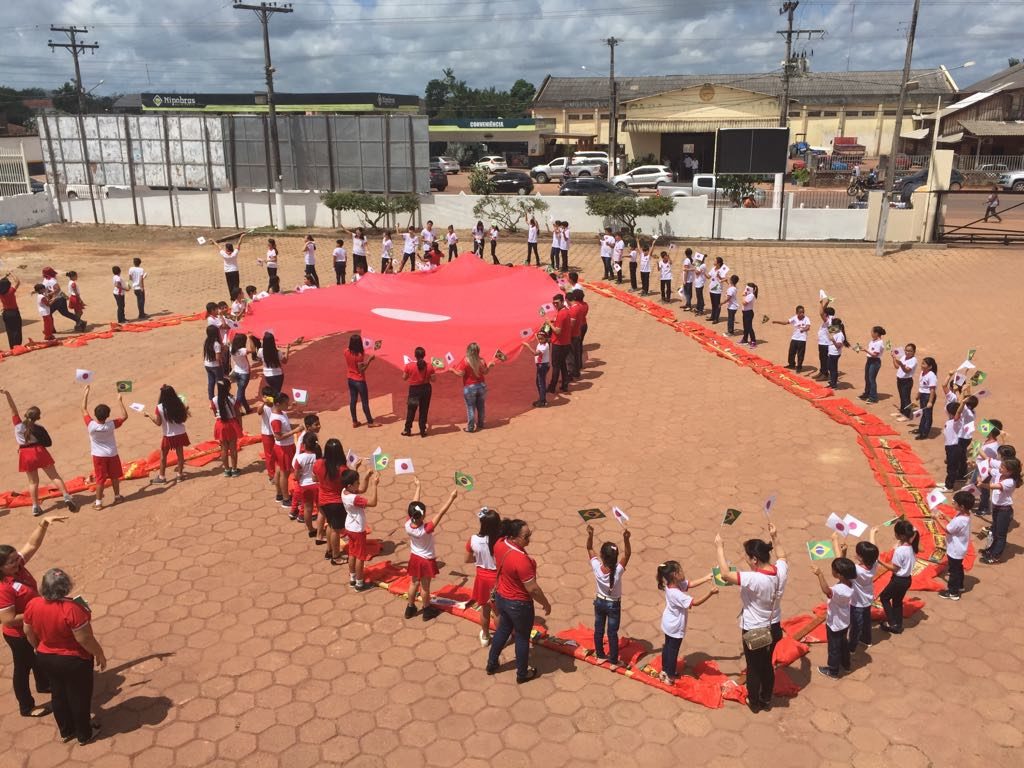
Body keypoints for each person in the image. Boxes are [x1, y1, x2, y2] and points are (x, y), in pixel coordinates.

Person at [23, 568, 106, 745]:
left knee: (58, 694)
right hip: (73, 660)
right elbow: (84, 638)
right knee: (79, 696)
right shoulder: (73, 608)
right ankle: (85, 734)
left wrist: (39, 648)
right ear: (66, 587)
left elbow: (28, 631)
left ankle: (66, 731)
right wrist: (99, 653)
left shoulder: (32, 604)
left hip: (46, 656)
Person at [1, 516, 67, 718]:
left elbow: (31, 544)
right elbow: (7, 619)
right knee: (23, 668)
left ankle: (44, 684)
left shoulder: (18, 568)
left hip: (33, 625)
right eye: (12, 562)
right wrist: (37, 611)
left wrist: (44, 523)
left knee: (40, 657)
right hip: (18, 635)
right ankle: (26, 707)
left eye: (16, 558)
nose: (18, 562)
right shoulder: (3, 588)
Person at [714, 532, 779, 713]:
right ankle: (766, 697)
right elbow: (782, 556)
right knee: (767, 664)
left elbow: (726, 574)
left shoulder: (754, 578)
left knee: (754, 667)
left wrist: (719, 547)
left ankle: (754, 701)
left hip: (754, 630)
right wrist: (775, 537)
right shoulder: (781, 570)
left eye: (748, 558)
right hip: (774, 627)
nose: (747, 562)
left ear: (755, 559)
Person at [486, 519, 552, 684]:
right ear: (514, 537)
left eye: (530, 534)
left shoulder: (500, 544)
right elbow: (533, 589)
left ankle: (491, 663)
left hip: (502, 598)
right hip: (520, 604)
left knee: (503, 630)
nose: (529, 538)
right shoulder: (522, 561)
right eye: (526, 536)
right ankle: (522, 674)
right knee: (522, 638)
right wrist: (545, 603)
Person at [1, 389, 77, 516]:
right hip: (39, 451)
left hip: (25, 454)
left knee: (33, 482)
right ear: (38, 417)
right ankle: (66, 497)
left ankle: (35, 507)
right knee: (54, 476)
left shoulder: (18, 425)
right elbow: (47, 442)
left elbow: (13, 409)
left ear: (26, 414)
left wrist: (8, 394)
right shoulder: (38, 428)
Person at [655, 560, 717, 684]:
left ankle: (665, 670)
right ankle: (670, 675)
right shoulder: (677, 594)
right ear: (674, 575)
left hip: (668, 623)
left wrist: (706, 578)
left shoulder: (672, 585)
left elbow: (690, 584)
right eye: (680, 571)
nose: (683, 572)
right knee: (673, 651)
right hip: (675, 627)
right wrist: (710, 593)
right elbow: (695, 602)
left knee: (667, 647)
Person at [404, 479, 458, 620]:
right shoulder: (426, 529)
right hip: (426, 560)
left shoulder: (408, 524)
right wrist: (451, 498)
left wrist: (418, 487)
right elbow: (441, 512)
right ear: (422, 515)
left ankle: (410, 608)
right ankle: (427, 610)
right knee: (425, 587)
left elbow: (413, 504)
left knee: (413, 583)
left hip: (414, 558)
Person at [586, 525, 632, 666]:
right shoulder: (618, 570)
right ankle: (613, 661)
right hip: (614, 605)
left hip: (599, 602)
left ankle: (600, 655)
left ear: (602, 556)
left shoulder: (596, 567)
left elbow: (589, 548)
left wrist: (590, 534)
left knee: (598, 629)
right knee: (612, 633)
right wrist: (626, 539)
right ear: (615, 558)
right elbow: (628, 554)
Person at [81, 385, 128, 509]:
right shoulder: (111, 425)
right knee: (114, 476)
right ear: (108, 415)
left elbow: (83, 409)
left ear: (95, 415)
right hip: (112, 454)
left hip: (98, 456)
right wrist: (120, 401)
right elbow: (124, 416)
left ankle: (98, 503)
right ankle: (117, 497)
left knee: (100, 479)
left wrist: (86, 393)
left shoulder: (91, 425)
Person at [834, 531, 879, 651]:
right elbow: (874, 549)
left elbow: (840, 564)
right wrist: (872, 534)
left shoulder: (857, 570)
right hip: (868, 600)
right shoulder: (874, 564)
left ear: (861, 557)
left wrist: (839, 546)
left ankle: (851, 647)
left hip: (857, 603)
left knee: (855, 626)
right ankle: (867, 639)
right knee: (866, 621)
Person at [811, 557, 855, 679]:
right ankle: (846, 665)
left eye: (833, 570)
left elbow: (826, 590)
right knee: (843, 644)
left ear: (839, 574)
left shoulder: (839, 590)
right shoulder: (851, 582)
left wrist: (819, 574)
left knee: (834, 648)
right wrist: (844, 553)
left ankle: (833, 671)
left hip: (835, 624)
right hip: (845, 621)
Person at [466, 507, 501, 645]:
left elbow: (467, 559)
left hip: (481, 578)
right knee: (498, 612)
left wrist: (479, 560)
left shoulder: (473, 540)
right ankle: (499, 638)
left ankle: (486, 636)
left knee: (485, 609)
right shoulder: (500, 541)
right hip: (496, 579)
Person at [877, 519, 919, 634]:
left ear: (900, 535)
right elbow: (915, 533)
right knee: (897, 601)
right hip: (907, 580)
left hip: (898, 580)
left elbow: (895, 568)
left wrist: (880, 562)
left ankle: (892, 623)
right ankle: (898, 624)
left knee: (884, 598)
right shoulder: (912, 547)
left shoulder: (900, 551)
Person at [314, 438, 351, 566]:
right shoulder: (342, 469)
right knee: (336, 529)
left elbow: (315, 477)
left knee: (330, 525)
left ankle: (329, 550)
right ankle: (336, 556)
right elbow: (349, 486)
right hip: (336, 502)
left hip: (323, 499)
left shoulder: (318, 463)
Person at [342, 466, 380, 591]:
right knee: (360, 557)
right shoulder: (354, 498)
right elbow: (373, 503)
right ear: (350, 485)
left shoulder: (344, 491)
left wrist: (367, 477)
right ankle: (359, 583)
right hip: (358, 530)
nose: (358, 484)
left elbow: (362, 489)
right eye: (356, 482)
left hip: (349, 527)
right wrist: (375, 485)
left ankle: (352, 578)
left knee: (352, 553)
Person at [978, 457, 1020, 564]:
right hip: (997, 508)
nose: (1000, 468)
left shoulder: (1010, 482)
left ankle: (995, 556)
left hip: (1004, 511)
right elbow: (987, 469)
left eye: (1002, 467)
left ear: (1009, 471)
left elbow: (993, 486)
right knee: (995, 531)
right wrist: (977, 466)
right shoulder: (999, 473)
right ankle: (991, 550)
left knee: (1001, 534)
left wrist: (982, 484)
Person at [145, 384, 190, 483]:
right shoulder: (179, 403)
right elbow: (183, 419)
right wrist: (185, 410)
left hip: (168, 435)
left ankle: (162, 477)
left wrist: (149, 415)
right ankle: (180, 475)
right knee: (180, 455)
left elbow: (158, 422)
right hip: (180, 433)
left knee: (163, 456)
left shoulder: (159, 407)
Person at [935, 491, 974, 599]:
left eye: (954, 502)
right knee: (958, 568)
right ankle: (960, 586)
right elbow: (953, 523)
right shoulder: (964, 515)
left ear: (961, 506)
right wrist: (945, 516)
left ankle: (953, 592)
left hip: (955, 550)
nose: (952, 504)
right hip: (959, 548)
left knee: (953, 571)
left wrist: (936, 519)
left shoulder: (960, 520)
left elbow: (948, 529)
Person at [450, 342, 494, 433]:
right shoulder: (481, 360)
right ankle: (481, 424)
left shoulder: (465, 361)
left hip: (470, 388)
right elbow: (485, 372)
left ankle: (470, 427)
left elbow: (460, 374)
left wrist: (452, 370)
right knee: (481, 406)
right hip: (481, 386)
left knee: (470, 407)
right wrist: (489, 366)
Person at [267, 392, 299, 507]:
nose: (287, 405)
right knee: (284, 474)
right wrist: (294, 431)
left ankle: (279, 494)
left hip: (282, 447)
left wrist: (291, 407)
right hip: (284, 448)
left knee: (279, 470)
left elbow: (285, 411)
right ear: (278, 403)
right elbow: (278, 436)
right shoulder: (276, 419)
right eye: (286, 403)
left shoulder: (280, 412)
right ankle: (286, 499)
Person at [292, 432, 321, 538]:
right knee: (320, 509)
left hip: (305, 486)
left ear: (304, 444)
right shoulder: (318, 456)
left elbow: (296, 476)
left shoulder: (299, 458)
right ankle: (321, 528)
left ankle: (311, 529)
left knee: (307, 509)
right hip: (317, 485)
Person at [345, 334, 377, 428]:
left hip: (350, 378)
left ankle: (354, 421)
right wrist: (369, 360)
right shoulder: (359, 355)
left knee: (353, 401)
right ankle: (370, 422)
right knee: (365, 402)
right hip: (359, 380)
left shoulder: (346, 351)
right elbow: (361, 370)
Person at [211, 379, 242, 478]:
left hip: (220, 424)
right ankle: (234, 470)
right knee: (233, 448)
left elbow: (215, 413)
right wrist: (240, 426)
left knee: (223, 448)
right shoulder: (233, 399)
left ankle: (226, 470)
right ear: (228, 387)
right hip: (231, 424)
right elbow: (238, 414)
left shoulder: (214, 400)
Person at [402, 347, 434, 437]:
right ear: (424, 355)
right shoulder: (429, 366)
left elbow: (404, 378)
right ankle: (422, 430)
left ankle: (407, 430)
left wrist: (409, 373)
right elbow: (434, 379)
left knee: (411, 410)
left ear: (415, 355)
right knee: (424, 410)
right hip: (426, 389)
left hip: (414, 390)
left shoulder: (409, 366)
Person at [41, 267, 84, 332]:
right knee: (64, 313)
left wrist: (50, 295)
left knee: (50, 313)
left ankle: (51, 329)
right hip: (59, 298)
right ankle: (80, 321)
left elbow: (58, 289)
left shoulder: (51, 280)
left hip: (57, 299)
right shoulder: (47, 280)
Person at [546, 294, 573, 395]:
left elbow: (558, 331)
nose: (555, 305)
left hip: (559, 343)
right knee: (562, 364)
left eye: (557, 303)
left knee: (556, 365)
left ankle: (552, 386)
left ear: (562, 301)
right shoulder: (565, 311)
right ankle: (565, 384)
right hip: (565, 342)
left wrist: (549, 323)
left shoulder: (562, 314)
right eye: (554, 303)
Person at [772, 305, 811, 371]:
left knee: (800, 354)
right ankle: (791, 364)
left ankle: (799, 367)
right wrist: (776, 322)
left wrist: (803, 329)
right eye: (800, 312)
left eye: (803, 312)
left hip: (802, 339)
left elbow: (808, 327)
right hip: (794, 338)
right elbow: (785, 323)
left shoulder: (806, 319)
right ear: (797, 312)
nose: (802, 314)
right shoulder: (794, 318)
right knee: (791, 352)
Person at [210, 232, 247, 299]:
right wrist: (241, 237)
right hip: (235, 271)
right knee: (236, 285)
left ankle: (232, 299)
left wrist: (213, 241)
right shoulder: (234, 253)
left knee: (230, 286)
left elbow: (218, 247)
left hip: (228, 272)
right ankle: (238, 297)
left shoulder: (224, 254)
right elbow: (238, 244)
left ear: (227, 249)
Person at [522, 330, 551, 407]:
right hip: (542, 365)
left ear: (545, 338)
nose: (539, 340)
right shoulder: (542, 343)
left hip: (542, 366)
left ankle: (542, 401)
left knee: (541, 383)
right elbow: (538, 338)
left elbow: (535, 353)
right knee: (539, 382)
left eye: (541, 338)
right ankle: (542, 398)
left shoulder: (544, 346)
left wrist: (527, 346)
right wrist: (535, 333)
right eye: (539, 338)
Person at [858, 326, 886, 403]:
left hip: (875, 362)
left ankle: (873, 397)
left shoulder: (879, 343)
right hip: (869, 360)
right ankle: (867, 393)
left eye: (872, 332)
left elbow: (875, 355)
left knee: (871, 379)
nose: (871, 333)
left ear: (876, 333)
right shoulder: (873, 341)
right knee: (867, 378)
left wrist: (865, 350)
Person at [913, 356, 938, 440]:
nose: (922, 365)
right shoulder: (922, 372)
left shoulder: (932, 376)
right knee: (923, 413)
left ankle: (925, 433)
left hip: (928, 396)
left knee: (928, 415)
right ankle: (921, 429)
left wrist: (930, 401)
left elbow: (932, 390)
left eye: (924, 364)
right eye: (922, 363)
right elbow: (922, 386)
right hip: (923, 395)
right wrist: (918, 394)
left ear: (930, 367)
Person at [893, 343, 918, 419]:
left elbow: (907, 371)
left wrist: (902, 365)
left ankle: (907, 415)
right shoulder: (903, 357)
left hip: (907, 381)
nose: (907, 352)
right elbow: (896, 366)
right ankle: (902, 411)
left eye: (910, 351)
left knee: (906, 398)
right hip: (899, 380)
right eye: (906, 350)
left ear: (914, 352)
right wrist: (894, 358)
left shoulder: (913, 360)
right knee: (902, 397)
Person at [229, 334, 253, 414]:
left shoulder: (231, 348)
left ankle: (247, 409)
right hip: (244, 374)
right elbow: (253, 350)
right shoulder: (242, 350)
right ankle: (236, 411)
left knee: (241, 392)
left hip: (236, 372)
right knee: (240, 394)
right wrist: (251, 338)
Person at [0, 273, 24, 348]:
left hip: (6, 313)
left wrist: (5, 276)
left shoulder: (1, 293)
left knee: (9, 330)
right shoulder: (10, 291)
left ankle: (12, 346)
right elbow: (17, 281)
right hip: (14, 312)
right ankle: (17, 346)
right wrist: (12, 274)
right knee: (17, 329)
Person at [826, 317, 849, 389]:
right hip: (831, 353)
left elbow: (838, 346)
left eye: (833, 325)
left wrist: (833, 340)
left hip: (835, 354)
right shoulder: (836, 330)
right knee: (830, 367)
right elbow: (828, 329)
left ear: (836, 326)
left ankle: (833, 384)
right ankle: (833, 381)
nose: (831, 326)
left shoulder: (840, 335)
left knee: (833, 369)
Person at [816, 299, 836, 379]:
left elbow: (821, 313)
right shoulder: (833, 319)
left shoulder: (829, 320)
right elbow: (823, 311)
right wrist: (827, 302)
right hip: (824, 342)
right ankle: (822, 371)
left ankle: (825, 374)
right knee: (822, 358)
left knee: (824, 358)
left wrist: (821, 302)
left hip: (825, 343)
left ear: (827, 314)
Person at [708, 256, 727, 323]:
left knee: (717, 304)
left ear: (718, 263)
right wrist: (703, 272)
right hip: (711, 288)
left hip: (717, 290)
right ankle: (712, 316)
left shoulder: (722, 271)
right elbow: (708, 276)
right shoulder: (713, 269)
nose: (714, 262)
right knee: (713, 304)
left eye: (715, 261)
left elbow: (725, 279)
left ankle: (716, 318)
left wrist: (719, 277)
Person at [740, 282, 759, 349]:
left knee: (749, 327)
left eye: (747, 289)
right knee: (745, 326)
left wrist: (743, 296)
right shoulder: (748, 294)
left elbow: (744, 303)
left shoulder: (751, 295)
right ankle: (745, 339)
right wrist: (744, 294)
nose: (746, 290)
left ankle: (753, 341)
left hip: (749, 313)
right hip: (745, 312)